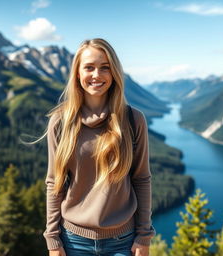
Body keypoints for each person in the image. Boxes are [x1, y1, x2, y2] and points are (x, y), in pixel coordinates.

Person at [43, 38, 155, 256]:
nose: (97, 75)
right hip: (73, 241)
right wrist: (52, 240)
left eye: (105, 67)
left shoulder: (133, 119)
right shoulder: (60, 122)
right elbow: (54, 183)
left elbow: (141, 179)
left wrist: (144, 236)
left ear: (114, 73)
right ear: (77, 73)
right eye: (89, 67)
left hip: (123, 242)